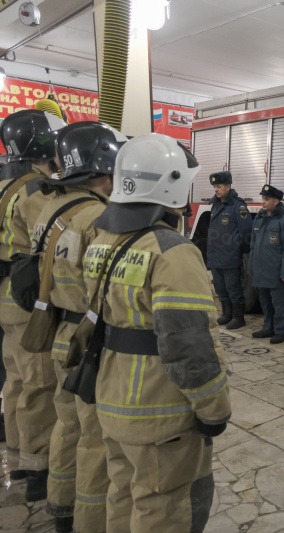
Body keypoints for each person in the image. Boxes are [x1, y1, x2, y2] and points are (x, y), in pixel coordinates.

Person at [83, 133, 231, 531]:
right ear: (172, 184)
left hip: (110, 401)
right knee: (165, 510)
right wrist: (214, 408)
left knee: (123, 497)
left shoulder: (101, 239)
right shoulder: (173, 252)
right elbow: (190, 346)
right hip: (159, 414)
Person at [32, 121, 126, 533]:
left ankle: (59, 505)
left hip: (58, 333)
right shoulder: (99, 217)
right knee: (94, 437)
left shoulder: (48, 207)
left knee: (67, 423)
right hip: (89, 340)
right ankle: (88, 521)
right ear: (105, 166)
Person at [0, 108, 66, 501]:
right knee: (40, 382)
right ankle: (39, 469)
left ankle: (19, 458)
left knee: (17, 380)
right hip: (28, 304)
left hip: (6, 300)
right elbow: (54, 245)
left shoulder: (5, 185)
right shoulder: (35, 191)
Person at [249, 184, 284, 344]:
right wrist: (251, 267)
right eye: (262, 198)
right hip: (261, 270)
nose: (263, 202)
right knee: (265, 302)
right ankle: (268, 328)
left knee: (279, 303)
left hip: (275, 271)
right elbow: (253, 245)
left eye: (266, 199)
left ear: (276, 201)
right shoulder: (260, 218)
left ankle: (281, 331)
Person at [206, 171, 252, 330]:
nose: (216, 190)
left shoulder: (238, 206)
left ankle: (238, 317)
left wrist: (240, 251)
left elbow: (246, 232)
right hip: (216, 255)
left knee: (233, 287)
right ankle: (227, 314)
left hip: (230, 256)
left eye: (218, 186)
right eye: (214, 186)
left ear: (228, 186)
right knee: (220, 287)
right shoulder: (216, 205)